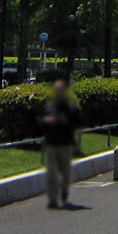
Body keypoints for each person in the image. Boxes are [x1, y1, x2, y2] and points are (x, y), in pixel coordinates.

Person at [40, 79, 82, 209]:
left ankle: (64, 191)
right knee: (51, 172)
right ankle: (53, 198)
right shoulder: (49, 107)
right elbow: (41, 123)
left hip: (65, 143)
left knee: (65, 171)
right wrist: (47, 121)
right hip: (52, 143)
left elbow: (78, 122)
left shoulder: (70, 107)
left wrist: (66, 122)